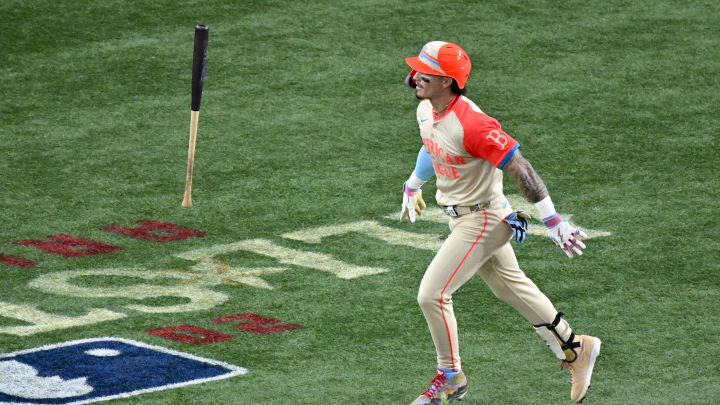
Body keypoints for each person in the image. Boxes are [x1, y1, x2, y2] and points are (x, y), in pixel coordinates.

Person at [400, 41, 601, 404]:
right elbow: (433, 145)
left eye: (425, 71)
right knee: (510, 287)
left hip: (485, 218)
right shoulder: (427, 109)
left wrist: (553, 220)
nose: (415, 76)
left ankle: (451, 376)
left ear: (447, 81)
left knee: (432, 294)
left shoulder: (473, 123)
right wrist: (414, 183)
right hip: (461, 217)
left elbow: (520, 166)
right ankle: (576, 347)